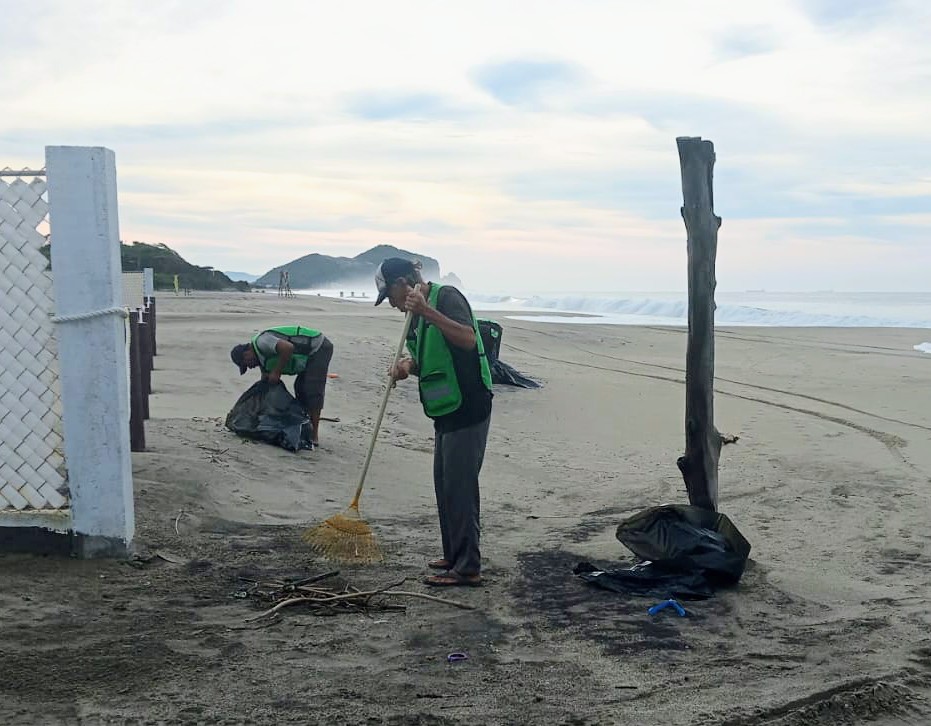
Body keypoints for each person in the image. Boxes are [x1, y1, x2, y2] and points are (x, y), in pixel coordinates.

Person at [374, 257, 493, 587]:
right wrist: (406, 368)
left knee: (460, 486)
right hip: (444, 409)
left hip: (468, 405)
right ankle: (453, 554)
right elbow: (427, 355)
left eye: (391, 297)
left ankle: (468, 567)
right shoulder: (414, 318)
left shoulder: (447, 297)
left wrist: (426, 311)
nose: (393, 305)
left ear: (402, 284)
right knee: (444, 483)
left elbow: (467, 339)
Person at [230, 326, 334, 447]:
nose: (250, 367)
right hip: (307, 354)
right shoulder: (261, 360)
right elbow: (266, 382)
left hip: (318, 346)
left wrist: (277, 371)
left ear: (247, 353)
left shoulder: (262, 342)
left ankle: (314, 434)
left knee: (312, 390)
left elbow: (288, 348)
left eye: (246, 364)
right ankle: (305, 427)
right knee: (300, 389)